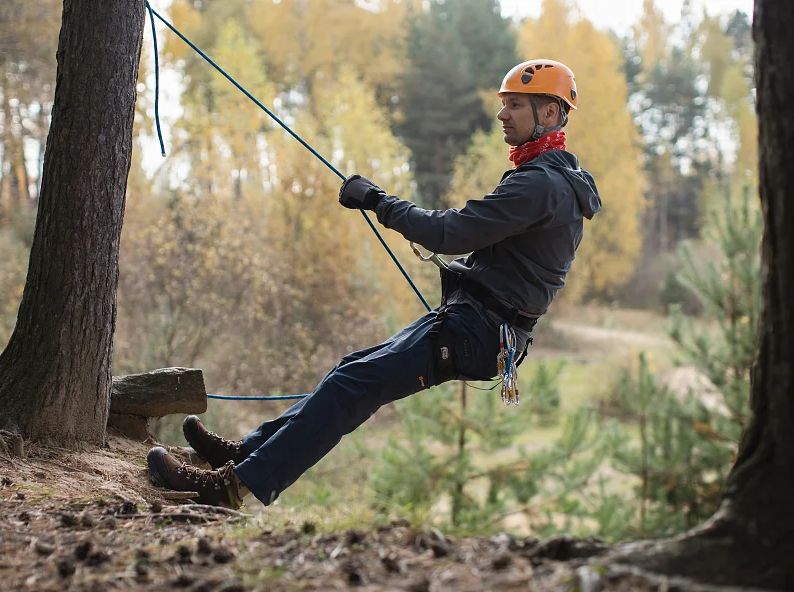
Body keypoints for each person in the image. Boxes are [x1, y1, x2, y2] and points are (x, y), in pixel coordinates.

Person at [146, 59, 602, 509]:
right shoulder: (548, 181)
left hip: (481, 332)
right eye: (504, 104)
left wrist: (378, 200)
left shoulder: (543, 185)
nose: (502, 114)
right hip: (475, 324)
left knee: (354, 385)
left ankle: (230, 488)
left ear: (548, 113)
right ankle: (245, 454)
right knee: (353, 370)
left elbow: (451, 231)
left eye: (515, 105)